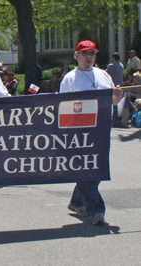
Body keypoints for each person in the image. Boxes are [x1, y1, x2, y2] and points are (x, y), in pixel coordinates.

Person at [60, 40, 122, 225]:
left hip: (102, 127)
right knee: (88, 168)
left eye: (92, 53)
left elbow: (111, 101)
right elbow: (62, 107)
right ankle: (96, 210)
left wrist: (116, 98)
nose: (89, 57)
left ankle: (77, 201)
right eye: (85, 53)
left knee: (96, 166)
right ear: (76, 56)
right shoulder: (70, 78)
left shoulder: (104, 75)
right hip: (80, 130)